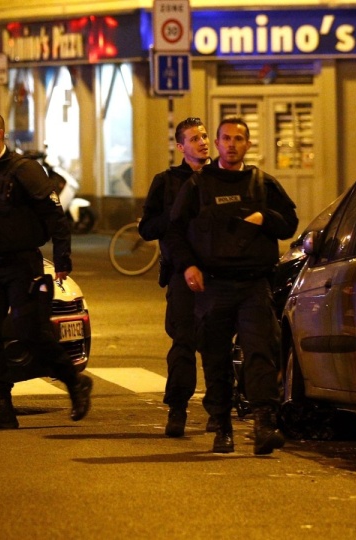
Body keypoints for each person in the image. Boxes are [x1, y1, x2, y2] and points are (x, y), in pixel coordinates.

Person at [165, 117, 298, 455]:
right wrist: (188, 266)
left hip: (254, 284)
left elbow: (289, 225)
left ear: (248, 145)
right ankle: (222, 425)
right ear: (219, 144)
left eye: (239, 139)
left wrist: (264, 218)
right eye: (226, 138)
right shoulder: (197, 186)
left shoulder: (262, 184)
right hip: (214, 286)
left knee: (260, 352)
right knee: (215, 358)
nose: (232, 144)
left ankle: (264, 423)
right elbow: (175, 231)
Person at [0, 112, 93, 430]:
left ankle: (74, 381)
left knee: (31, 332)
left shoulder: (24, 169)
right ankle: (2, 405)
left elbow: (54, 215)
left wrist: (62, 259)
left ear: (0, 134)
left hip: (21, 264)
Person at [138, 117, 211, 438]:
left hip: (219, 274)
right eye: (195, 138)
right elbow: (147, 228)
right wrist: (175, 214)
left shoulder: (221, 177)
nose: (203, 142)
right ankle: (178, 408)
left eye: (205, 136)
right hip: (181, 273)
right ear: (181, 147)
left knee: (215, 344)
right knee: (183, 341)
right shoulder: (166, 182)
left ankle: (218, 409)